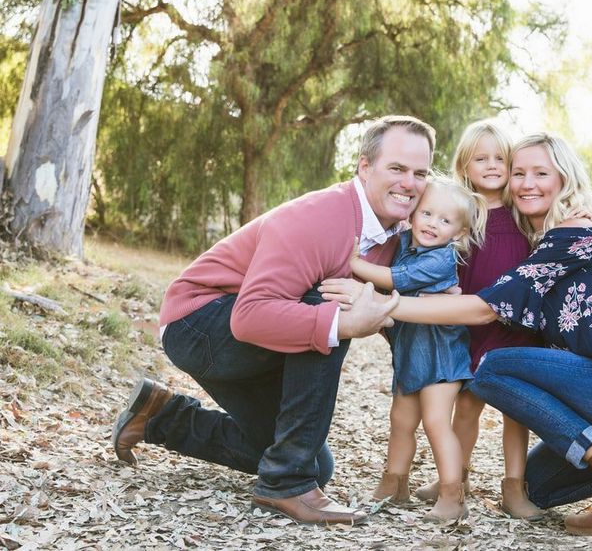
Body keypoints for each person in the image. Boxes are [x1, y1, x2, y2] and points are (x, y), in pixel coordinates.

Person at [321, 132, 592, 536]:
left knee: (491, 369)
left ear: (565, 177)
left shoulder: (575, 232)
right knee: (538, 490)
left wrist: (385, 303)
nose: (525, 183)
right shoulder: (537, 239)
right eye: (518, 173)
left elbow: (487, 308)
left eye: (540, 173)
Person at [111, 116, 435, 526]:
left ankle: (160, 417)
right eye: (397, 168)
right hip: (200, 324)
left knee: (311, 463)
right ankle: (286, 486)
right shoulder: (321, 218)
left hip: (263, 338)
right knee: (332, 304)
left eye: (420, 173)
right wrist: (345, 323)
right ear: (364, 167)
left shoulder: (397, 236)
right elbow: (249, 318)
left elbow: (399, 318)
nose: (409, 182)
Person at [413, 121, 545, 521]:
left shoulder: (521, 211)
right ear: (464, 165)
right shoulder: (460, 211)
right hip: (469, 322)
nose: (491, 165)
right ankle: (457, 476)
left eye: (499, 158)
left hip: (515, 325)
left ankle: (514, 488)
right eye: (480, 158)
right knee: (467, 407)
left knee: (515, 411)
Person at [352, 175, 486, 522]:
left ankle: (452, 493)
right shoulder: (403, 243)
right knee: (400, 420)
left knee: (437, 422)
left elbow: (396, 279)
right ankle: (394, 483)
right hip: (413, 352)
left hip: (442, 354)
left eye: (445, 220)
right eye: (427, 213)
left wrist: (353, 263)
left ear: (458, 233)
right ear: (412, 214)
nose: (432, 224)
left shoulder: (441, 259)